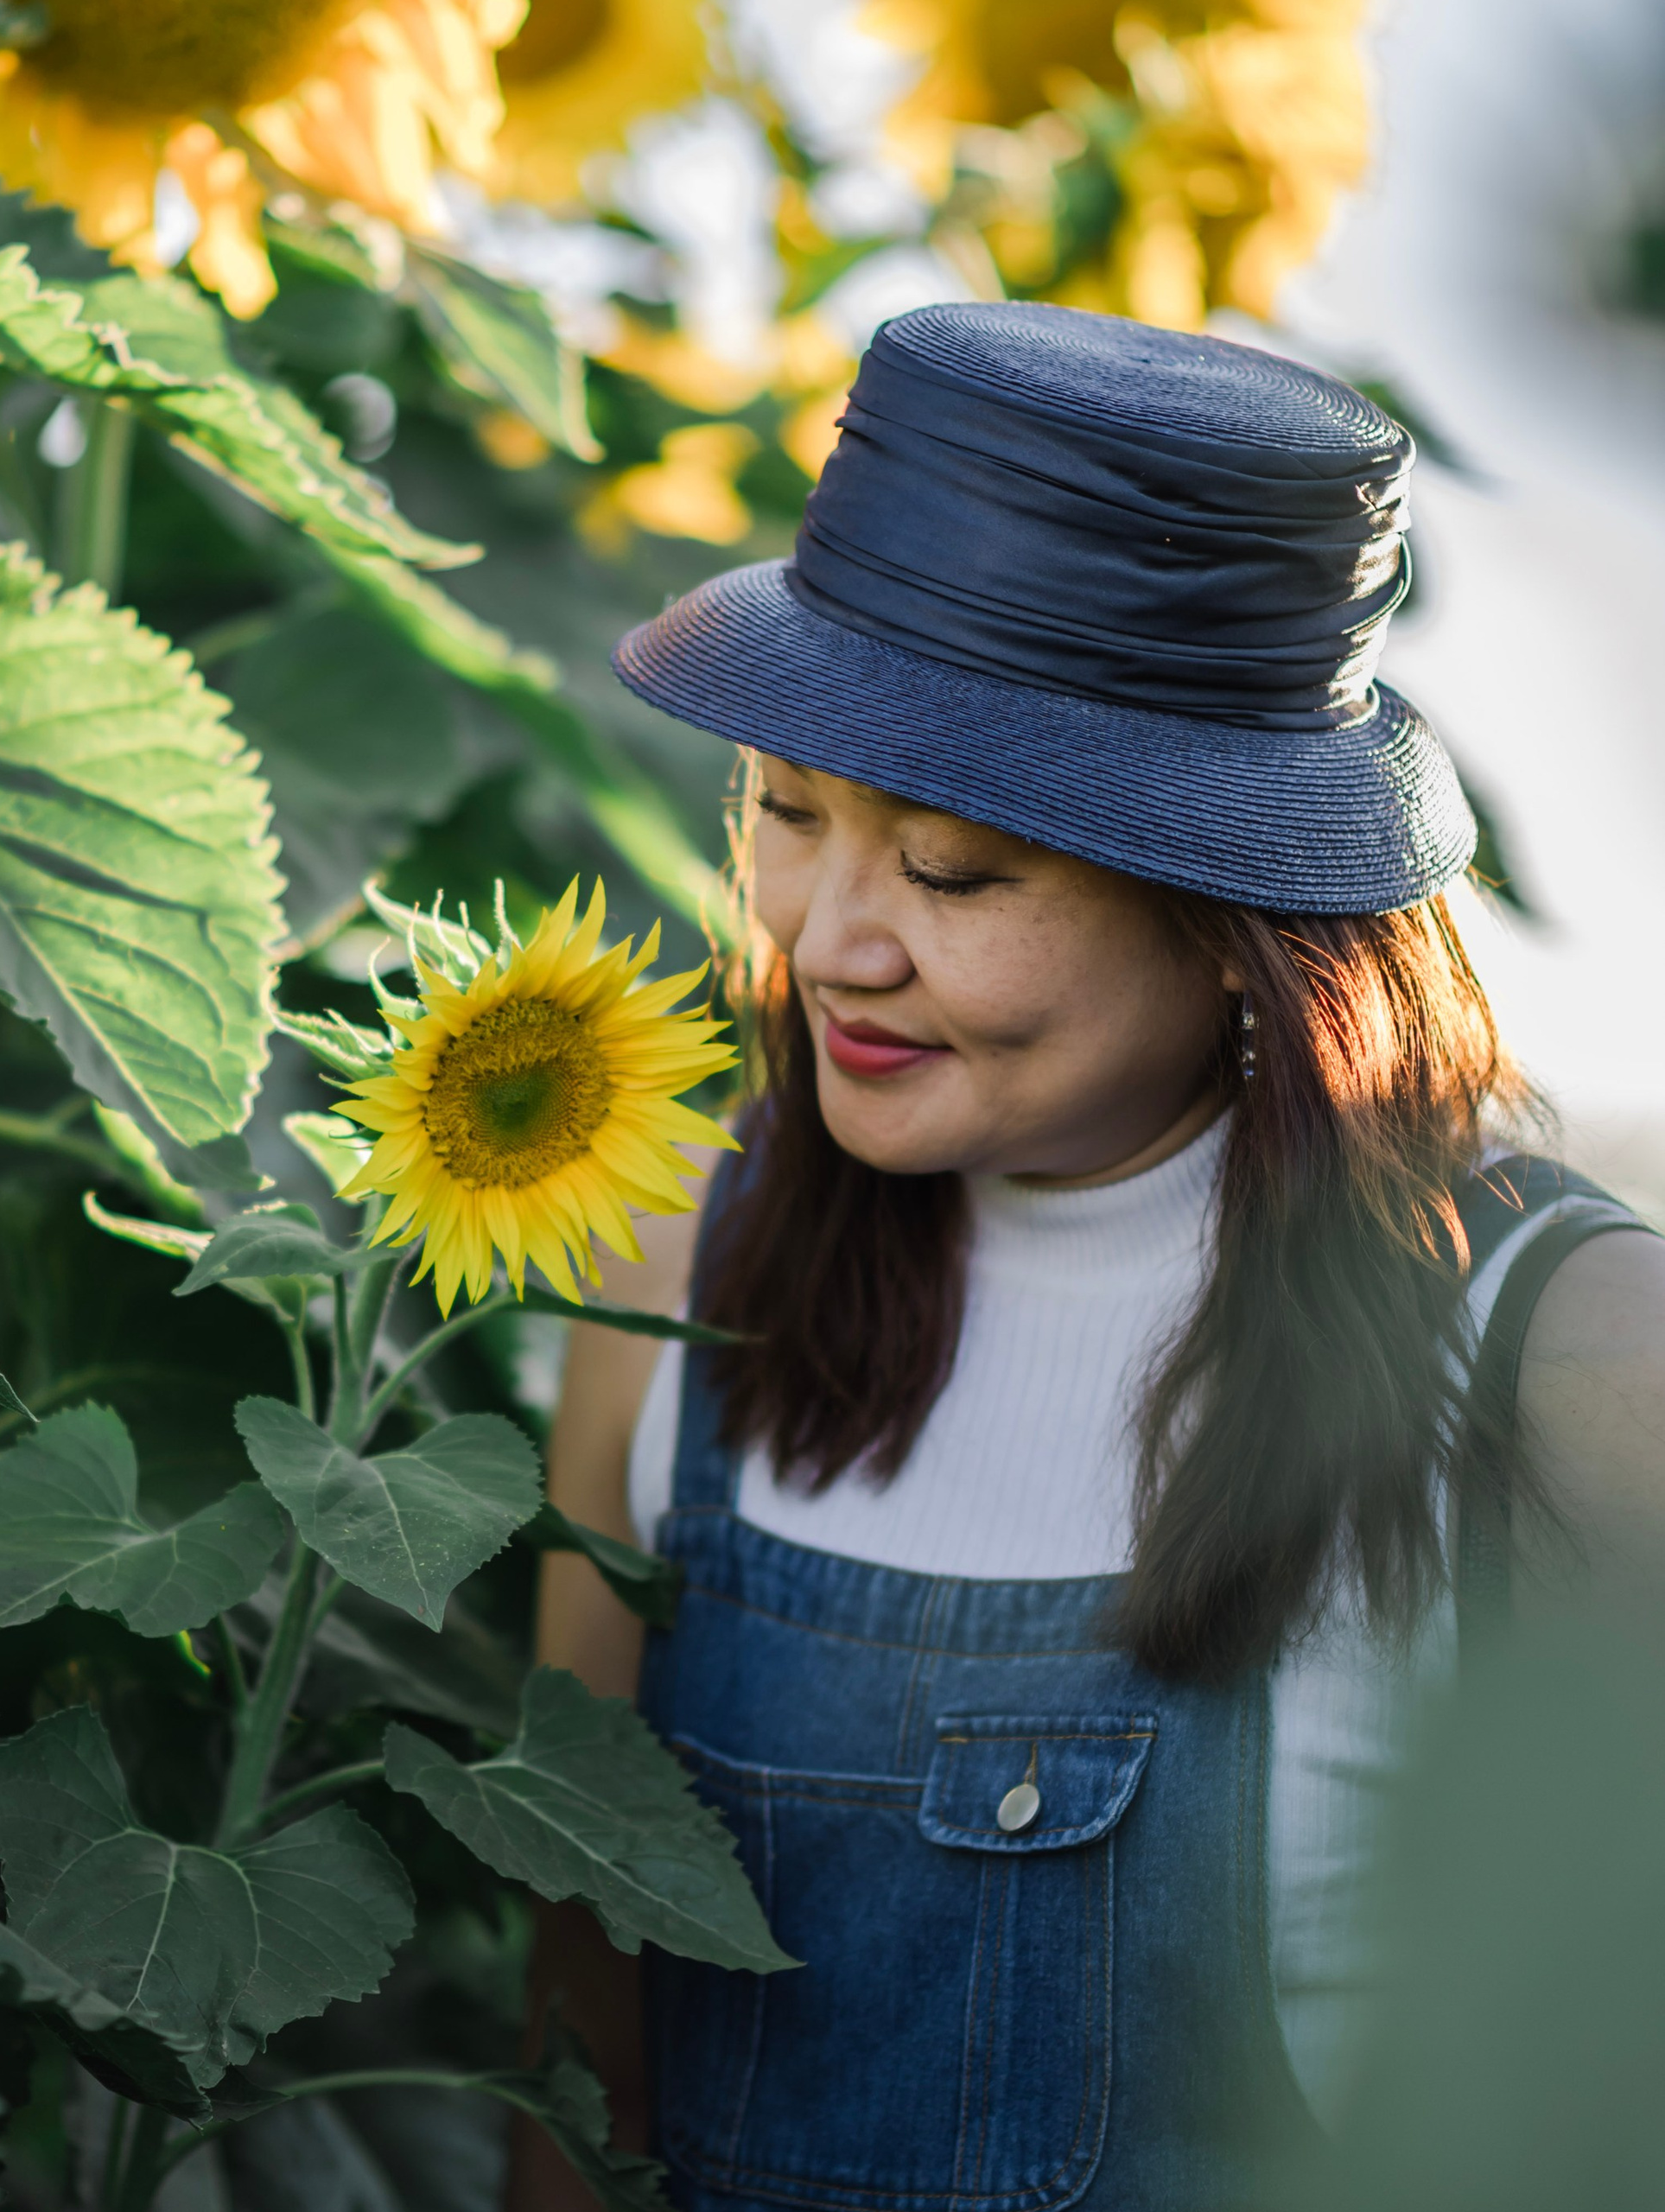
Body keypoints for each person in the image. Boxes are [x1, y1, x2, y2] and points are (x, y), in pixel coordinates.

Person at [512, 303, 1665, 2212]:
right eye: (787, 812)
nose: (826, 941)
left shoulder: (1566, 1364)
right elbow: (575, 2087)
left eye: (953, 874)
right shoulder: (671, 1271)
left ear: (1235, 914)